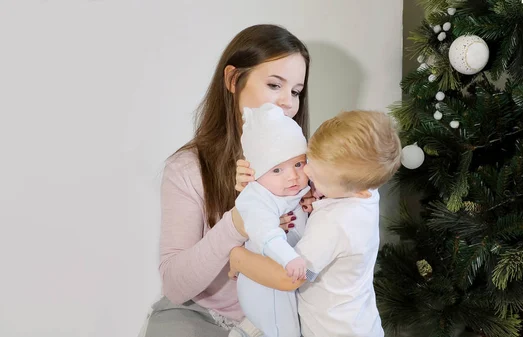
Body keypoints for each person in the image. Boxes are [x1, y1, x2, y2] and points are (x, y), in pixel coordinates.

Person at [141, 24, 314, 337]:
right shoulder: (189, 168)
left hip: (282, 316)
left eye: (296, 91)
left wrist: (326, 205)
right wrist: (237, 223)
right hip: (204, 318)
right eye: (275, 85)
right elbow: (175, 285)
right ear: (234, 80)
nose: (287, 101)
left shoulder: (308, 170)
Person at [229, 110, 403, 337]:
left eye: (318, 178)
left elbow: (289, 278)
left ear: (357, 191)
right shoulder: (367, 186)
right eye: (308, 161)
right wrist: (321, 193)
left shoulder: (334, 224)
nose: (307, 173)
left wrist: (238, 259)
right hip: (362, 323)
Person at [229, 103, 310, 337]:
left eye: (298, 164)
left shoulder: (301, 190)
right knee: (284, 329)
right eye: (277, 170)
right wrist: (289, 258)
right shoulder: (255, 198)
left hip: (285, 275)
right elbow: (265, 233)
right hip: (263, 283)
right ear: (256, 173)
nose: (292, 176)